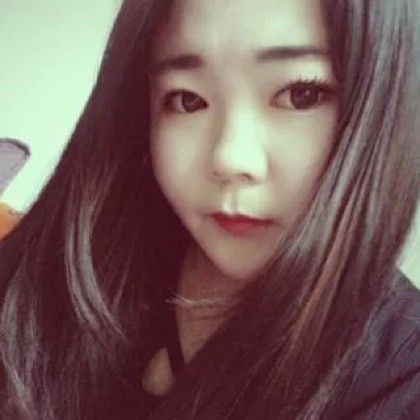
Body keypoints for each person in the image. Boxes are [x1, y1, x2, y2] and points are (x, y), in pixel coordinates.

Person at [0, 0, 419, 418]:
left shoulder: (399, 380)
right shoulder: (64, 263)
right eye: (187, 100)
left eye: (300, 95)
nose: (230, 158)